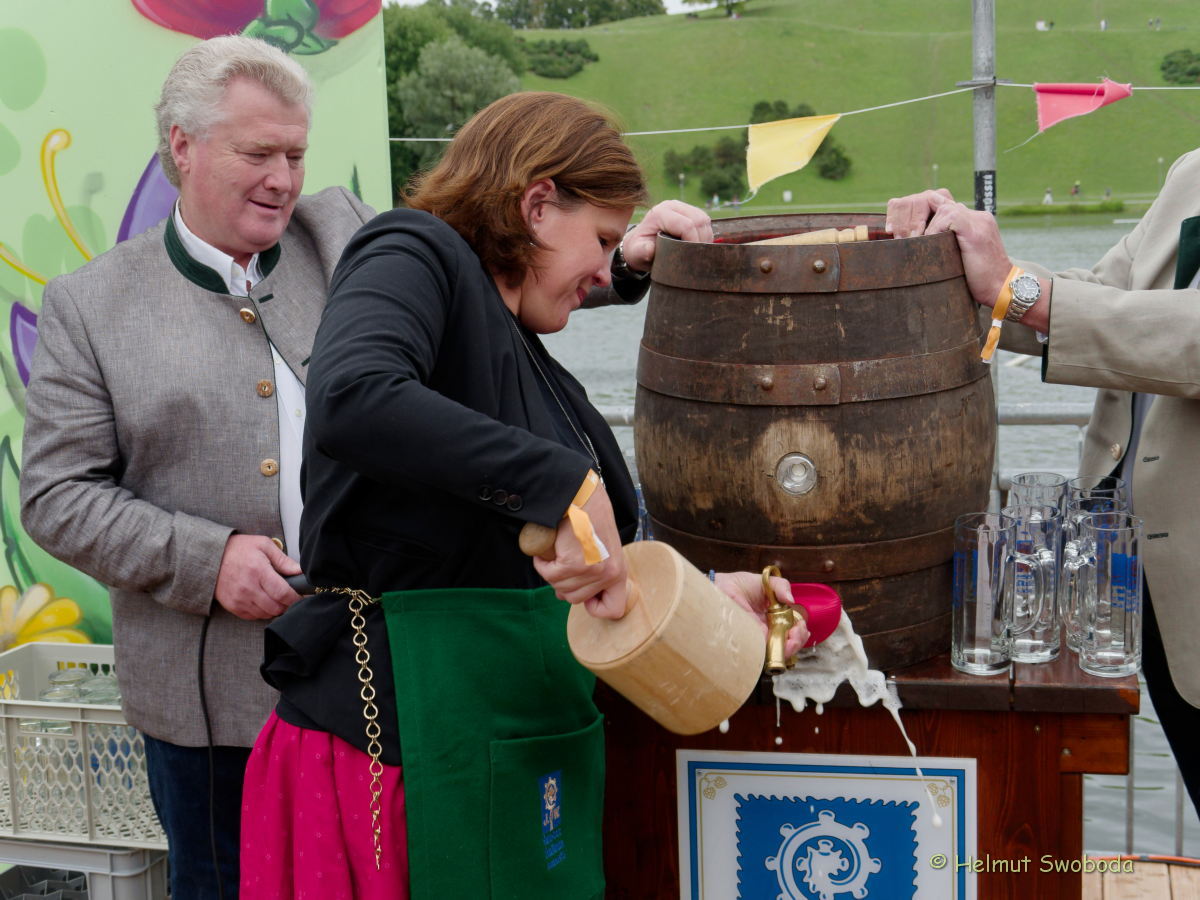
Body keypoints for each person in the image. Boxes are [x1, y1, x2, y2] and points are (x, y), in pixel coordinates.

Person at [241, 91, 809, 898]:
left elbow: (517, 554)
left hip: (499, 739)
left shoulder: (521, 342)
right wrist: (561, 482)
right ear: (537, 205)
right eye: (601, 240)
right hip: (401, 751)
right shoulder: (411, 248)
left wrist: (706, 593)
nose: (605, 271)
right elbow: (354, 397)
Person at [886, 153, 1200, 817]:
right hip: (1135, 584)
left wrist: (1012, 286)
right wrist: (935, 271)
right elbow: (1103, 292)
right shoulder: (1191, 174)